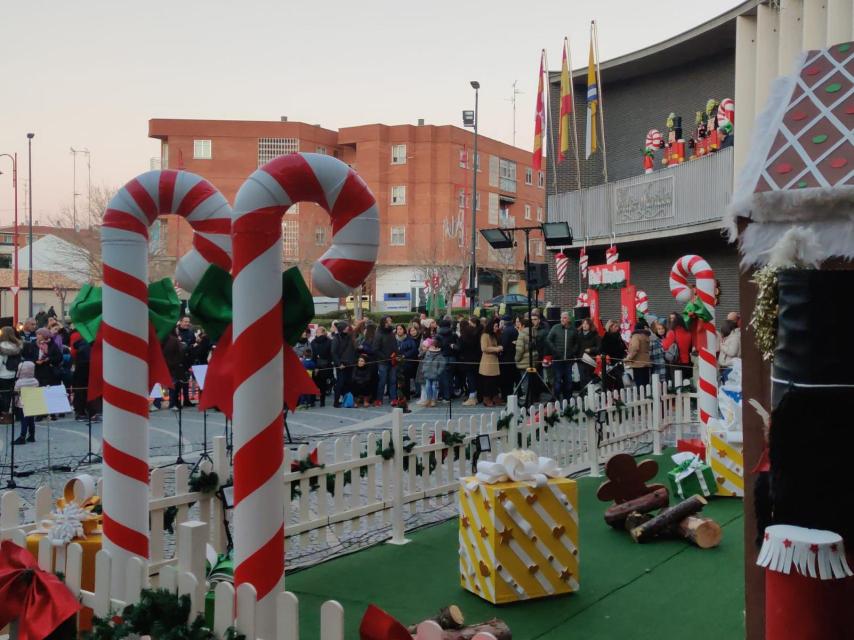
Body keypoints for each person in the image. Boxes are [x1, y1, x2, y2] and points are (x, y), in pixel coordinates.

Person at [546, 311, 579, 402]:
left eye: (564, 317)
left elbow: (576, 343)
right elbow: (549, 339)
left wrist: (572, 352)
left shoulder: (573, 330)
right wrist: (555, 350)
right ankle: (555, 398)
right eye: (561, 317)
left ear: (568, 319)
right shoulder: (555, 328)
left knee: (568, 381)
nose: (562, 319)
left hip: (568, 360)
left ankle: (567, 399)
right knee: (557, 380)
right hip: (557, 359)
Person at [372, 315, 398, 406]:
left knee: (393, 381)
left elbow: (395, 345)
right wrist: (385, 357)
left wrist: (396, 354)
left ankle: (393, 399)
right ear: (385, 323)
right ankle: (379, 399)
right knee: (382, 381)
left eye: (391, 320)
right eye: (389, 321)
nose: (391, 322)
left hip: (393, 361)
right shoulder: (378, 334)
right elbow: (375, 349)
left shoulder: (391, 333)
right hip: (383, 362)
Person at [162, 328, 190, 410]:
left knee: (168, 385)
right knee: (175, 385)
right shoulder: (175, 340)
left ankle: (168, 402)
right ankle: (173, 403)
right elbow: (181, 351)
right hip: (175, 366)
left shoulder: (164, 340)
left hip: (166, 364)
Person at [479, 318, 503, 407]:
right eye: (496, 326)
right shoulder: (485, 335)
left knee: (494, 381)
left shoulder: (493, 335)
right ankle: (486, 398)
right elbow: (484, 348)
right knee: (488, 382)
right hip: (488, 362)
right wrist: (497, 349)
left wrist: (499, 347)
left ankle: (494, 397)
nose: (497, 328)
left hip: (494, 361)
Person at [12, 361, 38, 444]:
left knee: (24, 420)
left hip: (22, 404)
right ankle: (32, 435)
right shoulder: (35, 381)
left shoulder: (19, 382)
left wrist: (15, 402)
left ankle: (22, 436)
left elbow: (16, 393)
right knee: (31, 420)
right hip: (32, 402)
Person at [331, 321, 356, 407]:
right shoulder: (336, 338)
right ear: (342, 328)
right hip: (341, 365)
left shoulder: (349, 337)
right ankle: (336, 401)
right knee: (340, 383)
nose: (347, 328)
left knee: (349, 383)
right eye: (346, 327)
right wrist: (339, 364)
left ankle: (347, 401)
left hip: (350, 364)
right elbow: (333, 352)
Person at [662, 313, 693, 382]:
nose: (671, 320)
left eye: (672, 319)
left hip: (676, 361)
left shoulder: (671, 332)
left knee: (677, 383)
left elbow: (666, 347)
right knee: (686, 382)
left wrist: (664, 340)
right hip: (687, 361)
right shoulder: (688, 333)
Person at [0, 327, 22, 423]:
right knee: (11, 395)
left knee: (4, 395)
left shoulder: (1, 346)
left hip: (3, 374)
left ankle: (5, 416)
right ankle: (14, 414)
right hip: (14, 373)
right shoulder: (16, 345)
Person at [458, 318, 482, 406]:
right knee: (475, 378)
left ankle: (472, 397)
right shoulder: (475, 336)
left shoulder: (462, 338)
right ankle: (476, 397)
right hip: (476, 359)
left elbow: (460, 348)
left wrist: (453, 346)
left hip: (467, 360)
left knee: (470, 379)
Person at [395, 324, 418, 406]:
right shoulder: (395, 339)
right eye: (397, 329)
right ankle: (398, 397)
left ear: (404, 330)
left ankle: (406, 397)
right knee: (397, 381)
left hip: (406, 363)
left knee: (406, 380)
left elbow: (414, 350)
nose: (399, 331)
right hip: (396, 363)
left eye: (401, 329)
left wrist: (405, 355)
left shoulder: (409, 339)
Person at [600, 320, 627, 391]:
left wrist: (625, 353)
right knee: (613, 380)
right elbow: (603, 350)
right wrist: (606, 356)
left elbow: (623, 347)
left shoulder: (618, 336)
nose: (617, 328)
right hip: (610, 362)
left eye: (618, 326)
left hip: (619, 361)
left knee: (619, 379)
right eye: (615, 326)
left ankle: (620, 394)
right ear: (610, 327)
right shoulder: (606, 337)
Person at [514, 317, 537, 398]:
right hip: (532, 360)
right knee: (531, 380)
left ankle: (527, 397)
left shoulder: (522, 334)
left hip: (524, 361)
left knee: (525, 381)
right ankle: (532, 396)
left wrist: (516, 360)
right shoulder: (534, 332)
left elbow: (520, 350)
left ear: (523, 325)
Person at [436, 318, 458, 402]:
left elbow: (437, 347)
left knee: (443, 378)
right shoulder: (454, 334)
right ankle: (451, 394)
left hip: (442, 357)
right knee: (451, 377)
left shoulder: (438, 335)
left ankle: (446, 396)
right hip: (452, 358)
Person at [311, 326, 334, 407]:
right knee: (322, 384)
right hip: (325, 365)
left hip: (319, 365)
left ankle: (314, 401)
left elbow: (313, 355)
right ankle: (321, 401)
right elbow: (331, 354)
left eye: (318, 332)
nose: (317, 333)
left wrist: (315, 365)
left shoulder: (314, 342)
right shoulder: (329, 341)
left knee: (316, 383)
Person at [420, 337, 446, 408]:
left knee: (434, 387)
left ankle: (433, 400)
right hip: (428, 373)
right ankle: (428, 399)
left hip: (435, 374)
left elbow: (442, 365)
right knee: (428, 386)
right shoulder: (428, 354)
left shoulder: (440, 356)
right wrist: (424, 370)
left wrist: (438, 372)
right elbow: (424, 362)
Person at [626, 321, 652, 388]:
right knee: (646, 383)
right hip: (646, 362)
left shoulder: (636, 336)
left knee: (639, 384)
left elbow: (635, 348)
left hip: (638, 363)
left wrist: (628, 358)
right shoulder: (646, 336)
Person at [577, 318, 601, 389]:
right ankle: (584, 393)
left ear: (590, 325)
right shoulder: (578, 335)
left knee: (589, 377)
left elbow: (599, 348)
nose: (584, 325)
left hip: (591, 360)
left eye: (586, 324)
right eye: (583, 323)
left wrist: (591, 350)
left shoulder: (595, 335)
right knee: (582, 377)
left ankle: (591, 392)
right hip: (581, 359)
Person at [499, 315, 518, 401]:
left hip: (506, 358)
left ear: (504, 322)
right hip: (513, 357)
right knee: (511, 379)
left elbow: (504, 345)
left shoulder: (506, 331)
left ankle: (505, 397)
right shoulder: (515, 330)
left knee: (505, 379)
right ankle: (511, 395)